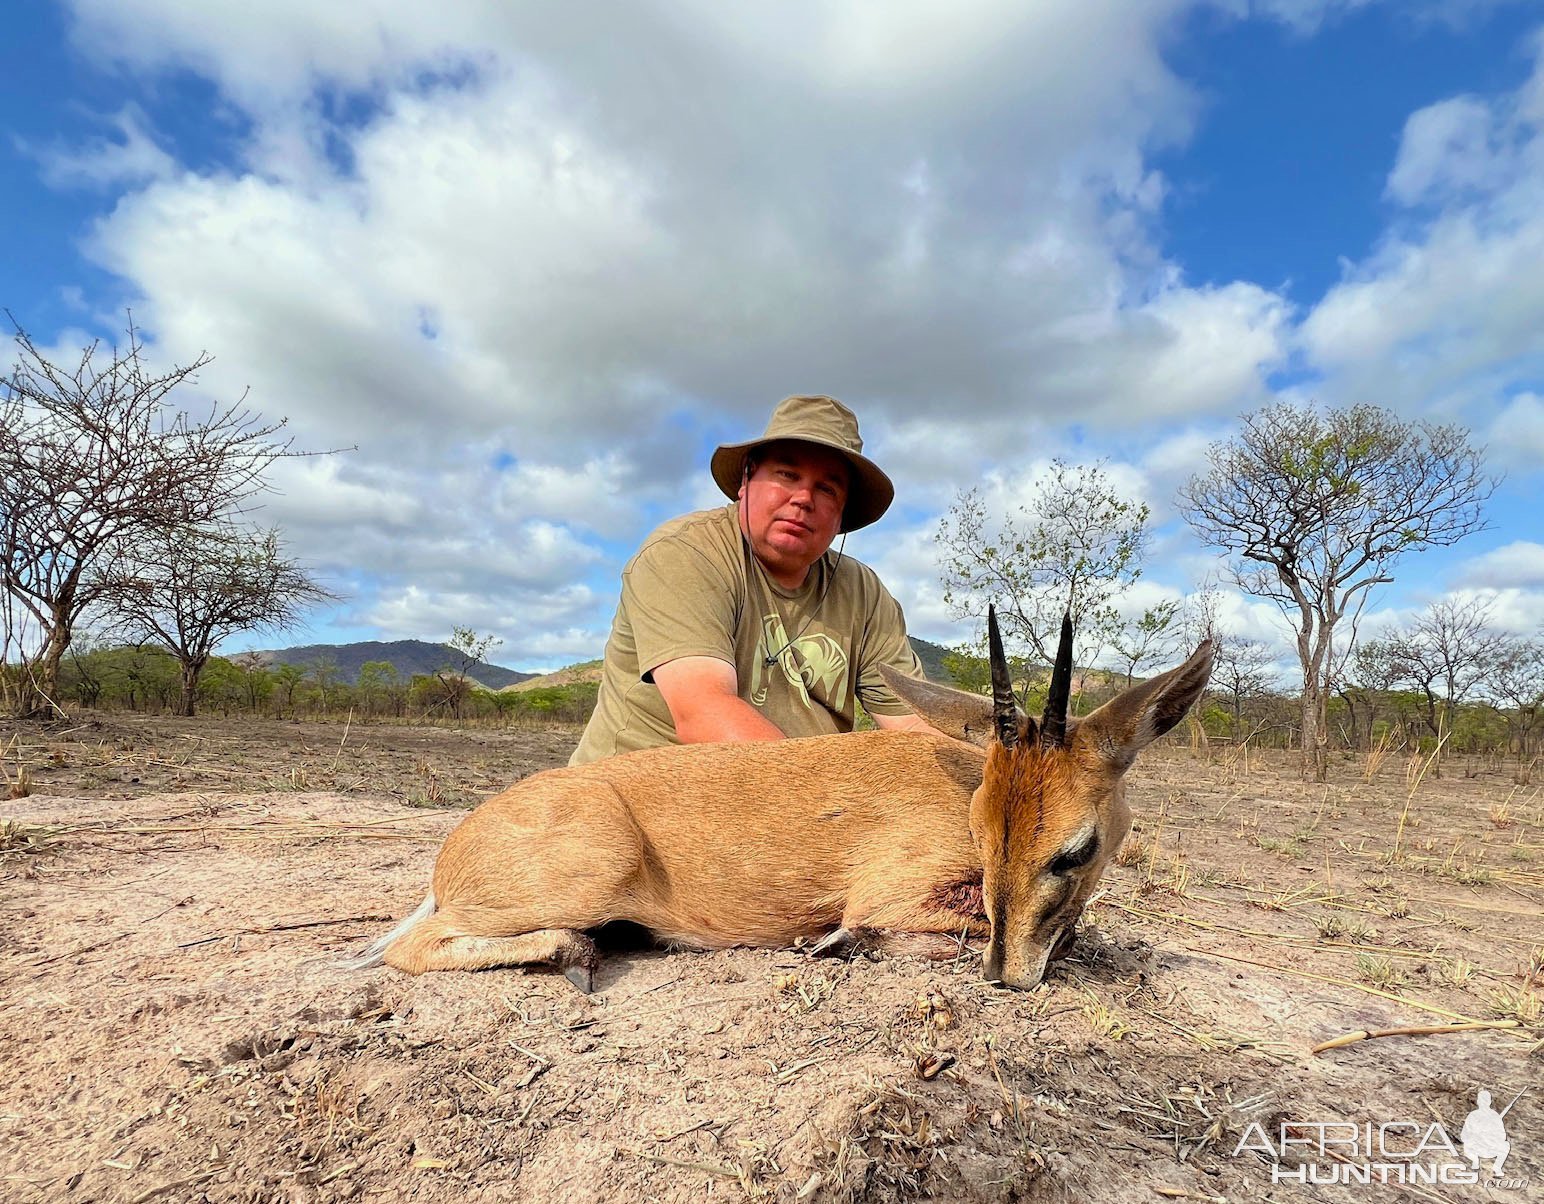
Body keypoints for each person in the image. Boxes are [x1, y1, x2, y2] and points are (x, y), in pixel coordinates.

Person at [570, 394, 934, 765]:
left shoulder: (865, 593)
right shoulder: (686, 553)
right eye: (787, 475)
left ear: (842, 516)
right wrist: (829, 797)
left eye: (827, 489)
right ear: (746, 479)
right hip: (643, 795)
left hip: (790, 801)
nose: (804, 498)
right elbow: (703, 711)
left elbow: (911, 723)